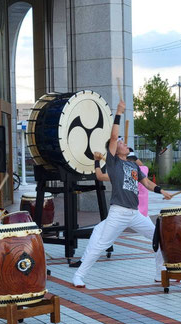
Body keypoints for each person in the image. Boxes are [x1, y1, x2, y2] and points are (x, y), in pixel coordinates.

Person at [72, 100, 173, 288]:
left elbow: (147, 183)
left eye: (124, 143)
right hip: (118, 212)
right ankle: (78, 275)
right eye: (121, 143)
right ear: (115, 149)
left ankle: (160, 273)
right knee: (101, 245)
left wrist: (162, 191)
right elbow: (112, 137)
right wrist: (118, 112)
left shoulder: (133, 165)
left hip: (135, 213)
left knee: (159, 238)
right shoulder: (113, 163)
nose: (124, 144)